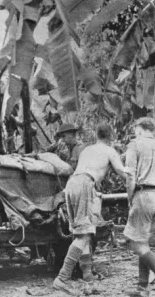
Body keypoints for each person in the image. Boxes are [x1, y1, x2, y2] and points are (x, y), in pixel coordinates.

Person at [53, 124, 126, 296]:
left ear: (97, 135)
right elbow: (123, 173)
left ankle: (87, 274)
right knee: (84, 234)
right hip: (85, 184)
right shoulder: (110, 151)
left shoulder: (87, 150)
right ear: (111, 136)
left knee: (81, 232)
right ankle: (62, 278)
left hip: (72, 184)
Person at [123, 117, 155, 297]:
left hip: (144, 194)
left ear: (139, 129)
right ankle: (142, 287)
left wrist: (130, 198)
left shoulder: (135, 144)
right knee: (143, 241)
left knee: (136, 243)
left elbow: (130, 176)